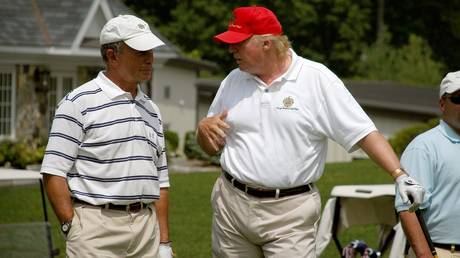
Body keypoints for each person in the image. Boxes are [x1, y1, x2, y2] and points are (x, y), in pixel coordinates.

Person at [196, 6, 425, 258]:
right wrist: (202, 130)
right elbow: (210, 145)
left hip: (290, 214)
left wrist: (399, 175)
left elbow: (363, 133)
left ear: (267, 44)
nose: (231, 49)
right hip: (232, 206)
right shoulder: (232, 80)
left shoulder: (316, 80)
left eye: (239, 43)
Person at [41, 15, 173, 258]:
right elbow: (53, 172)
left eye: (151, 51)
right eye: (141, 52)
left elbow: (161, 181)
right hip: (95, 231)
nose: (150, 59)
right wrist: (72, 227)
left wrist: (164, 242)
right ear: (112, 55)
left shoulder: (151, 109)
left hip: (146, 230)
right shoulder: (77, 103)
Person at [395, 71, 460, 258]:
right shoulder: (423, 147)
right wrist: (425, 255)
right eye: (457, 99)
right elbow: (408, 208)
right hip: (442, 251)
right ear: (442, 104)